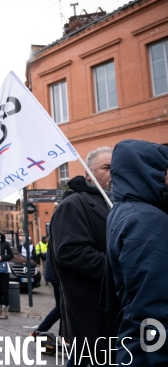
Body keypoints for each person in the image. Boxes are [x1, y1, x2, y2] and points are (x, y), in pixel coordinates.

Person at [48, 146, 117, 365]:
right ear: (88, 174)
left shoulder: (113, 203)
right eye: (106, 167)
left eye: (116, 168)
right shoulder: (73, 204)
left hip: (110, 310)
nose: (113, 173)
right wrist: (118, 268)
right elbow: (71, 252)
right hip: (89, 311)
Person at [105, 140, 168, 365]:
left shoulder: (127, 211)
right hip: (146, 352)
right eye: (164, 170)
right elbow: (156, 307)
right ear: (147, 170)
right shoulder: (146, 220)